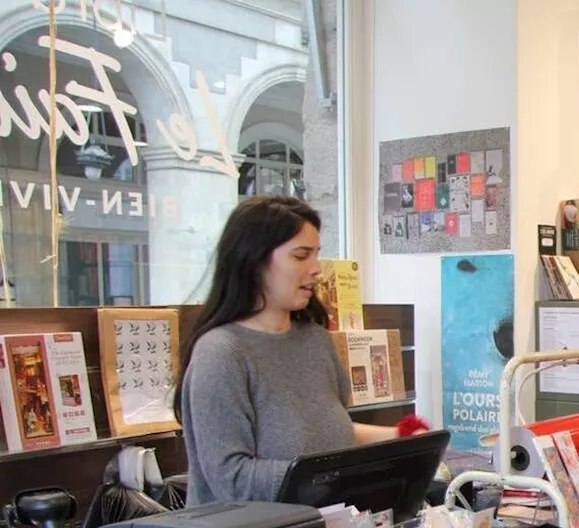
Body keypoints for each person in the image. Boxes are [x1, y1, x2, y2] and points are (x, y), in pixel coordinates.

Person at [175, 196, 425, 506]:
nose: (316, 269)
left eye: (317, 255)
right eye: (301, 255)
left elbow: (331, 431)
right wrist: (331, 478)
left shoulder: (315, 340)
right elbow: (231, 478)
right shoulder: (221, 353)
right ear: (253, 260)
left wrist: (403, 438)